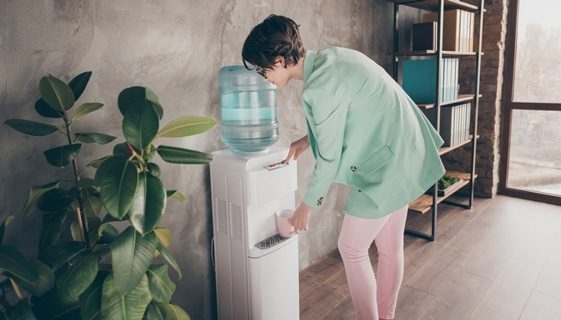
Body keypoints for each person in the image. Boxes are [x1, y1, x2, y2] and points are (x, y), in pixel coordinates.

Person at [242, 15, 445, 320]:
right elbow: (345, 114)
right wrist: (305, 140)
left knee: (350, 248)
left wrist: (306, 206)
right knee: (390, 249)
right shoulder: (331, 58)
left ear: (281, 61)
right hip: (405, 151)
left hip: (386, 168)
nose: (263, 77)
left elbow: (330, 159)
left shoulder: (319, 89)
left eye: (263, 69)